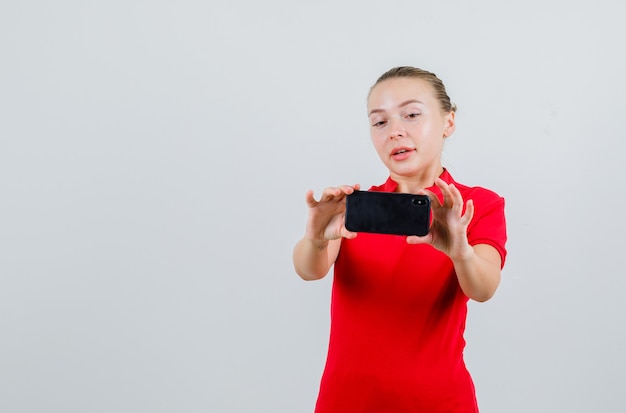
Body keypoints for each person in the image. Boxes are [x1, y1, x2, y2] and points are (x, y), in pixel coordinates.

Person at [292, 66, 507, 412]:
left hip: (439, 402)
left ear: (448, 122)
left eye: (411, 115)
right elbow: (308, 269)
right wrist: (316, 237)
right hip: (346, 401)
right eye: (380, 122)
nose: (395, 131)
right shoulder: (354, 207)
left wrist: (460, 252)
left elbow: (483, 288)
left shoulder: (476, 205)